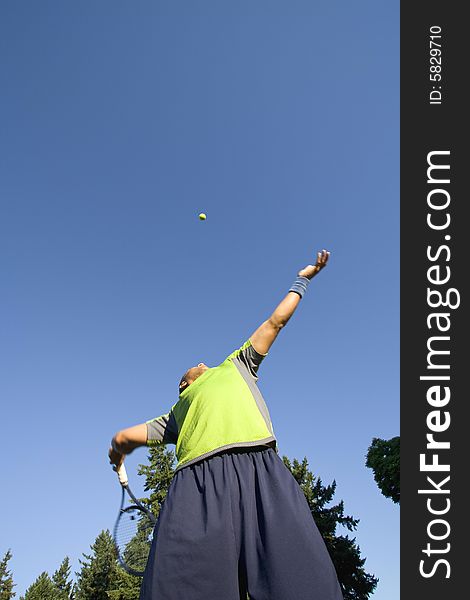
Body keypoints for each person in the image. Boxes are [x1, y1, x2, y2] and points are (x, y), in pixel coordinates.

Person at [109, 248, 344, 600]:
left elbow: (275, 322)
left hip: (262, 473)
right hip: (196, 490)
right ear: (184, 385)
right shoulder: (177, 412)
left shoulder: (238, 364)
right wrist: (118, 452)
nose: (200, 362)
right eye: (192, 366)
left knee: (307, 585)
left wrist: (303, 280)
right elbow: (124, 436)